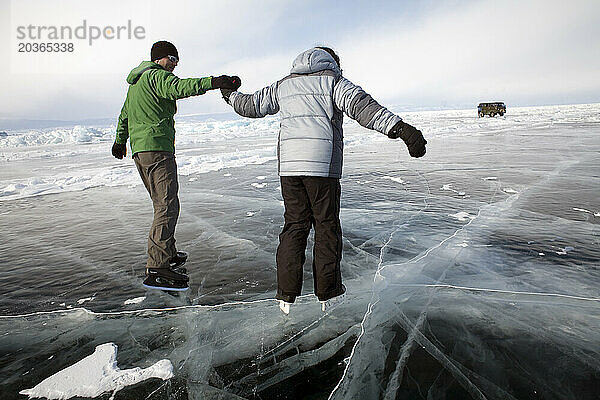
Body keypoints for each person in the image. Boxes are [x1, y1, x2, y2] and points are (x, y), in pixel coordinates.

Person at [220, 47, 426, 313]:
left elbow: (249, 105)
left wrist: (228, 93)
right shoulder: (333, 81)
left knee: (294, 225)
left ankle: (286, 295)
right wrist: (402, 130)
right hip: (321, 167)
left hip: (290, 169)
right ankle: (328, 293)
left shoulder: (283, 85)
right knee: (326, 225)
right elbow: (365, 108)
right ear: (333, 62)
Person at [112, 40, 240, 291]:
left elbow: (124, 115)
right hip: (158, 149)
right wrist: (215, 82)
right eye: (172, 58)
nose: (175, 64)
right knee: (167, 205)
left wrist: (119, 142)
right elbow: (180, 87)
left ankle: (167, 253)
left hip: (141, 152)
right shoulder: (155, 76)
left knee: (162, 203)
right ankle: (157, 266)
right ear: (159, 58)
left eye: (177, 60)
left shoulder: (136, 83)